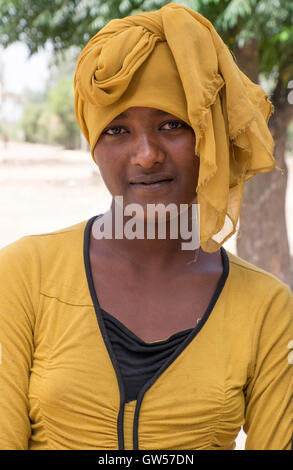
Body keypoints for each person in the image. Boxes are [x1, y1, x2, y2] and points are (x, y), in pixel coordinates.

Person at [0, 3, 292, 451]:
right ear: (93, 145)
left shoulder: (267, 309)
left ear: (208, 137)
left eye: (172, 124)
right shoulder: (22, 276)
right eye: (117, 130)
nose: (146, 154)